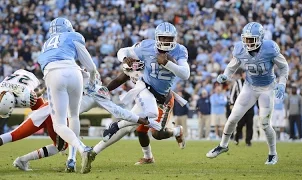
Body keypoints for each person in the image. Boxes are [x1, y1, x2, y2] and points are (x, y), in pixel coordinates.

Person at [83, 22, 190, 170]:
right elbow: (121, 71)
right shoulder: (142, 53)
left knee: (157, 134)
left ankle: (177, 131)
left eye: (168, 38)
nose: (165, 41)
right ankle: (95, 152)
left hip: (162, 100)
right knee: (134, 128)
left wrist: (167, 63)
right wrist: (124, 61)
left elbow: (185, 74)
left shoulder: (179, 51)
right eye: (163, 38)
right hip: (145, 94)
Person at [5, 70, 157, 172]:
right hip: (52, 114)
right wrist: (140, 119)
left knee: (55, 142)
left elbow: (54, 81)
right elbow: (118, 111)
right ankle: (68, 160)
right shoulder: (92, 87)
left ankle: (23, 160)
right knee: (16, 135)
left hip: (50, 111)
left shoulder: (87, 84)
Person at [206, 22, 289, 165]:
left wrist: (282, 84)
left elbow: (284, 67)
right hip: (249, 87)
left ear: (261, 38)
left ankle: (272, 154)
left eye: (252, 39)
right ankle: (223, 145)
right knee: (232, 118)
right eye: (246, 39)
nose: (248, 42)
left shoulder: (269, 48)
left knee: (264, 123)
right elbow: (233, 65)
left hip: (267, 88)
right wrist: (226, 75)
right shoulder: (239, 48)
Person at [37, 17, 100, 174]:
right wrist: (92, 82)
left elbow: (47, 70)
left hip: (54, 74)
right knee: (74, 116)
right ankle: (71, 159)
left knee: (59, 124)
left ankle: (82, 148)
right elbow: (91, 68)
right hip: (75, 72)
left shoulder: (45, 46)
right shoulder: (73, 36)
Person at [231, 70, 254, 146]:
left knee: (249, 124)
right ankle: (236, 138)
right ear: (242, 74)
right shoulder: (237, 82)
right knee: (240, 124)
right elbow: (233, 94)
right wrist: (231, 104)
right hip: (240, 107)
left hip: (250, 107)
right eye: (245, 74)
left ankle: (248, 141)